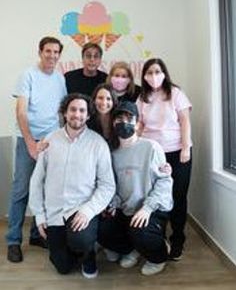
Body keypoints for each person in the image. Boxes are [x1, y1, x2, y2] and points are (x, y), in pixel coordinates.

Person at [29, 93, 115, 279]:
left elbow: (107, 185)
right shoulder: (49, 141)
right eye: (73, 110)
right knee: (62, 267)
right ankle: (73, 247)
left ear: (88, 115)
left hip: (81, 210)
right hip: (55, 212)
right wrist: (39, 214)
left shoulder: (98, 144)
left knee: (80, 239)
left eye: (82, 110)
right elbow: (37, 181)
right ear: (65, 113)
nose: (77, 114)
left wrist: (88, 211)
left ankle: (88, 252)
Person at [6, 36, 67, 263]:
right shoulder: (28, 75)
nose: (52, 55)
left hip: (51, 140)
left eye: (56, 52)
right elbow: (21, 112)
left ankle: (36, 235)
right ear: (40, 52)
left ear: (59, 55)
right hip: (27, 139)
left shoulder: (60, 79)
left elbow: (61, 113)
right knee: (21, 189)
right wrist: (31, 143)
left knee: (43, 190)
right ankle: (13, 241)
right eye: (48, 51)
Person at [98, 101, 173, 276]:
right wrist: (110, 205)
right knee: (101, 229)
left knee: (140, 230)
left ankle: (158, 256)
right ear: (113, 123)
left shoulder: (151, 147)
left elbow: (164, 182)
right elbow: (112, 185)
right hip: (124, 209)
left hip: (151, 209)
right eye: (119, 118)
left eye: (129, 118)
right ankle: (133, 248)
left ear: (137, 123)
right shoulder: (111, 152)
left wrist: (147, 209)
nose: (124, 122)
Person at [136, 58, 192, 261]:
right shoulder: (143, 97)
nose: (153, 76)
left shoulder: (175, 93)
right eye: (149, 72)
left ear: (164, 73)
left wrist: (185, 147)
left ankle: (178, 240)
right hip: (154, 154)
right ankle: (157, 239)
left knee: (178, 196)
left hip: (177, 152)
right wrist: (134, 143)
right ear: (144, 76)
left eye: (157, 71)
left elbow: (185, 120)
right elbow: (139, 124)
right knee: (157, 198)